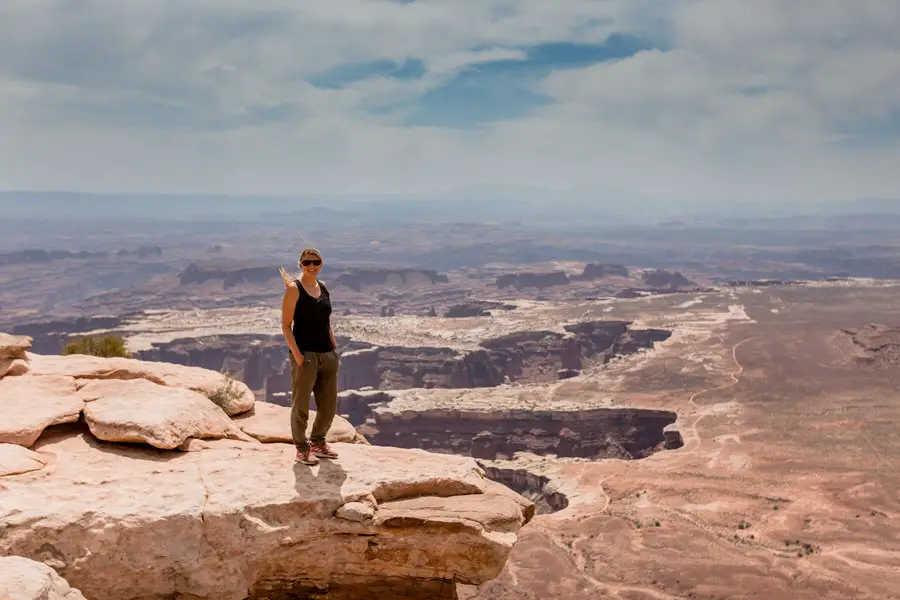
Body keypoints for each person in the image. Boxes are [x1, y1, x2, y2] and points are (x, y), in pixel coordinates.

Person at [280, 247, 340, 465]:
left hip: (328, 355)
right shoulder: (294, 289)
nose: (312, 266)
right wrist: (297, 356)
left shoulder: (322, 287)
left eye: (316, 262)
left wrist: (333, 347)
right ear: (300, 265)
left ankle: (318, 442)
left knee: (329, 406)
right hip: (306, 355)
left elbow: (326, 321)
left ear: (321, 264)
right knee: (301, 405)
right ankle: (302, 448)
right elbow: (286, 326)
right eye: (307, 263)